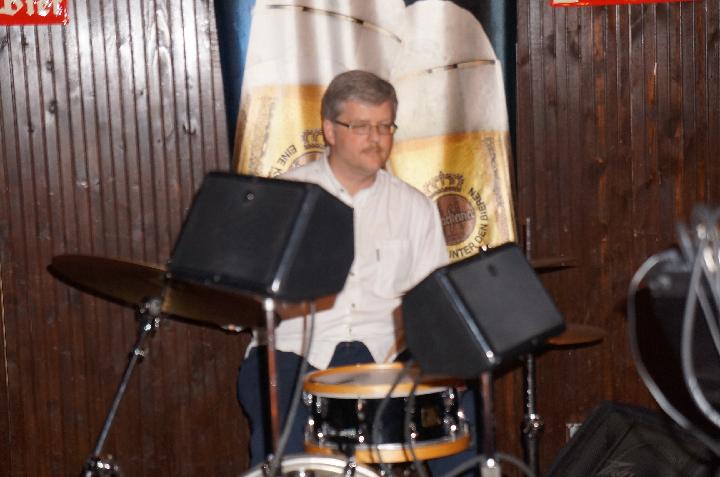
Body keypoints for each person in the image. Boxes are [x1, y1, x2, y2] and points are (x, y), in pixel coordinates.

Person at [237, 70, 475, 474]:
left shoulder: (415, 208)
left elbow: (434, 308)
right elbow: (246, 298)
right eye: (361, 126)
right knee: (284, 439)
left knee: (458, 422)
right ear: (330, 130)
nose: (376, 138)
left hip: (384, 356)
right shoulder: (282, 198)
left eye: (385, 126)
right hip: (294, 352)